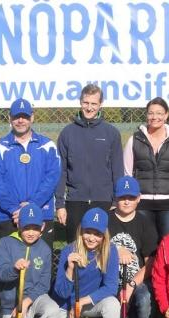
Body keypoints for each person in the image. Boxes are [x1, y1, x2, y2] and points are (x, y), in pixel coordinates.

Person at [51, 208, 122, 318]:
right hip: (67, 304)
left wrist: (82, 302)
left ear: (104, 235)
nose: (91, 237)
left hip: (87, 303)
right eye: (88, 232)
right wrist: (70, 268)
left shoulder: (110, 251)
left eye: (97, 233)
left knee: (113, 304)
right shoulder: (69, 250)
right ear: (81, 230)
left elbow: (111, 287)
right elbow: (59, 292)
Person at [0, 98, 60, 247]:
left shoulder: (47, 145)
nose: (20, 121)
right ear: (10, 118)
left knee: (40, 265)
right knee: (11, 265)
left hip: (41, 214)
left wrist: (32, 206)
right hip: (10, 216)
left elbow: (51, 179)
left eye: (25, 117)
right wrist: (14, 209)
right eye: (16, 117)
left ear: (32, 117)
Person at [55, 84, 124, 243]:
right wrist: (60, 204)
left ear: (100, 104)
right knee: (75, 246)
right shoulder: (67, 133)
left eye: (93, 103)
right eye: (86, 103)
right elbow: (61, 171)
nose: (89, 107)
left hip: (103, 201)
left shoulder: (111, 133)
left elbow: (117, 170)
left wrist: (115, 202)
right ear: (80, 102)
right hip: (75, 201)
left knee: (103, 247)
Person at [0, 203, 59, 318]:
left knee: (52, 309)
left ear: (43, 227)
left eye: (35, 228)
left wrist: (27, 301)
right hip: (12, 304)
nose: (31, 232)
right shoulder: (6, 243)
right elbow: (1, 275)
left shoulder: (44, 249)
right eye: (26, 227)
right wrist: (14, 269)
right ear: (18, 224)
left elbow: (44, 284)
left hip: (33, 298)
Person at [123, 97, 169, 243]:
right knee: (145, 243)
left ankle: (165, 267)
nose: (155, 117)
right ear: (146, 115)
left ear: (166, 115)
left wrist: (168, 188)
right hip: (142, 201)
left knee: (167, 243)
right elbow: (127, 172)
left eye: (159, 113)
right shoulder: (134, 139)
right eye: (151, 113)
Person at [108, 176, 158, 318]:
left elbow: (150, 262)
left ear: (138, 198)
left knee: (144, 298)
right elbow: (94, 250)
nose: (126, 201)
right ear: (116, 198)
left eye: (131, 197)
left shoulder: (145, 223)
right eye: (122, 197)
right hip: (108, 278)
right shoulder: (106, 220)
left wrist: (131, 285)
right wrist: (116, 250)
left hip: (136, 278)